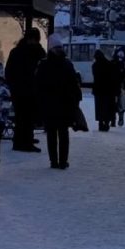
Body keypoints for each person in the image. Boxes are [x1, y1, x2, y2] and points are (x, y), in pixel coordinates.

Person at [35, 33, 82, 169]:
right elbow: (74, 84)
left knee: (51, 134)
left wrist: (41, 102)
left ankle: (53, 161)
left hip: (49, 105)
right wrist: (75, 100)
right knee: (63, 133)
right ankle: (63, 161)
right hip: (65, 104)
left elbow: (38, 85)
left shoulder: (43, 64)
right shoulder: (67, 64)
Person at [6, 26, 45, 152]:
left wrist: (12, 86)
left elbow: (9, 72)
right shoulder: (38, 52)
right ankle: (26, 141)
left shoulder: (16, 51)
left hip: (18, 91)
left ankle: (19, 141)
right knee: (28, 118)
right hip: (31, 91)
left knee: (20, 117)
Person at [91, 49, 119, 132]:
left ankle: (100, 124)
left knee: (99, 108)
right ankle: (106, 123)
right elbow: (113, 78)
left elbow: (95, 78)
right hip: (108, 91)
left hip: (98, 90)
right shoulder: (109, 64)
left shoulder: (95, 66)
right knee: (107, 107)